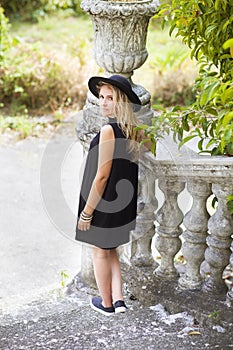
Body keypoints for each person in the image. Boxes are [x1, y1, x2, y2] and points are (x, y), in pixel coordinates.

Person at [75, 74, 144, 316]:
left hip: (104, 201)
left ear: (122, 102)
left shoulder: (108, 130)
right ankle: (119, 300)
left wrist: (87, 212)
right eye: (102, 97)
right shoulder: (134, 131)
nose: (103, 102)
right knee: (111, 250)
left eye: (110, 98)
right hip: (122, 202)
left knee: (99, 251)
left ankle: (105, 303)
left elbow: (102, 175)